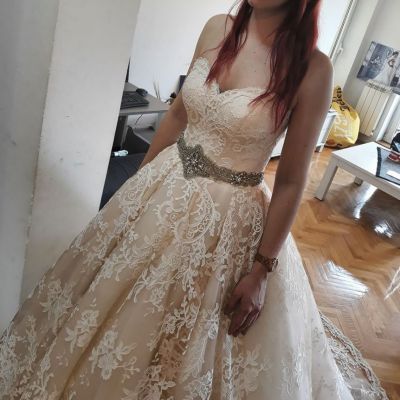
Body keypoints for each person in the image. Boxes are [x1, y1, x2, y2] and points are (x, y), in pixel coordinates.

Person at [0, 0, 389, 399]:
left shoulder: (313, 69)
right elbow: (177, 116)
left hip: (230, 219)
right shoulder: (217, 27)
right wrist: (138, 184)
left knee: (190, 334)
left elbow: (291, 181)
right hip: (165, 185)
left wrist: (262, 270)